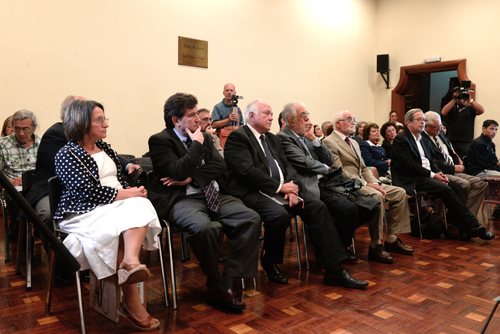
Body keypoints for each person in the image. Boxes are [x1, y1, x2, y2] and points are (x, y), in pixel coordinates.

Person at [224, 98, 368, 289]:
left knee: (317, 206)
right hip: (253, 192)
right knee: (278, 216)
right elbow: (247, 170)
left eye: (271, 113)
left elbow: (288, 166)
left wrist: (291, 186)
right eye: (266, 113)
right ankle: (270, 261)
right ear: (251, 116)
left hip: (283, 191)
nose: (271, 117)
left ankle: (334, 270)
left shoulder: (272, 138)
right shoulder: (238, 137)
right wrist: (279, 187)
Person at [53, 100, 161, 331]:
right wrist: (127, 193)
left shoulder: (106, 148)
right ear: (82, 123)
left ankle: (130, 263)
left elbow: (120, 179)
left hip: (116, 204)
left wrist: (133, 192)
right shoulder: (66, 153)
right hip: (84, 210)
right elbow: (88, 192)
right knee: (132, 210)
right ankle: (132, 301)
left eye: (105, 119)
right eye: (99, 120)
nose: (106, 124)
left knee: (141, 204)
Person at [148, 93, 261, 309]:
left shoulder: (206, 138)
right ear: (176, 120)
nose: (198, 120)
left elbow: (220, 166)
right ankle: (216, 282)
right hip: (183, 199)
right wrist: (196, 146)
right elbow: (176, 171)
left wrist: (192, 178)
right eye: (191, 115)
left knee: (251, 218)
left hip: (214, 194)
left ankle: (227, 279)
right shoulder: (161, 141)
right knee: (202, 228)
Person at [26, 95, 140, 286]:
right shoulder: (55, 134)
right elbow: (73, 172)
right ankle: (62, 266)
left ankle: (111, 266)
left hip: (84, 190)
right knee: (47, 214)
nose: (103, 123)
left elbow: (106, 155)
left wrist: (127, 165)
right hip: (51, 189)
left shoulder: (96, 141)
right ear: (76, 117)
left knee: (130, 208)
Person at [277, 103, 377, 261]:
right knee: (349, 209)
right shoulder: (283, 138)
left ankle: (333, 244)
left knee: (370, 206)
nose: (308, 118)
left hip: (327, 183)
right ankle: (336, 249)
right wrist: (326, 168)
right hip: (310, 186)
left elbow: (330, 159)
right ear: (292, 121)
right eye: (303, 115)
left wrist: (313, 139)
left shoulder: (306, 137)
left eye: (307, 113)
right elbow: (305, 163)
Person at [323, 111, 413, 264]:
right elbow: (339, 171)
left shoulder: (354, 142)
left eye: (354, 119)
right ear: (338, 123)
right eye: (349, 120)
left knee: (399, 193)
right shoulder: (329, 142)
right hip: (348, 184)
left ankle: (391, 239)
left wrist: (375, 183)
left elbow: (364, 167)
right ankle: (375, 244)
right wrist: (366, 184)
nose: (353, 122)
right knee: (377, 196)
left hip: (365, 181)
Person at [390, 108, 494, 241]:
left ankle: (463, 228)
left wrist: (438, 172)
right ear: (409, 123)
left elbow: (430, 161)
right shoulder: (402, 139)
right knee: (445, 189)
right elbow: (409, 165)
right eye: (419, 120)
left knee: (456, 186)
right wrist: (433, 175)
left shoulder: (422, 138)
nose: (422, 122)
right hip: (412, 178)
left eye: (423, 119)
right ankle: (473, 224)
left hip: (427, 174)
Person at [421, 111, 487, 218]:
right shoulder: (422, 139)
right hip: (442, 172)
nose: (439, 129)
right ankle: (460, 216)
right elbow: (432, 161)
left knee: (481, 183)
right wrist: (452, 168)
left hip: (454, 169)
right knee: (464, 184)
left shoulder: (440, 133)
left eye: (440, 126)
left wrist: (458, 162)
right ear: (426, 126)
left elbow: (450, 152)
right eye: (436, 127)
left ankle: (467, 215)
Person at [0, 109, 40, 238]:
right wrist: (11, 182)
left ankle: (45, 241)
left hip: (38, 189)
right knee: (18, 202)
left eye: (26, 129)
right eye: (17, 129)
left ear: (34, 128)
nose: (21, 133)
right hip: (13, 191)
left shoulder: (43, 144)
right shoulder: (3, 145)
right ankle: (23, 246)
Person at [441, 91, 485, 159]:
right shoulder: (452, 109)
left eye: (465, 97)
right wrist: (454, 99)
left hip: (467, 142)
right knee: (453, 160)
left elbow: (481, 110)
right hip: (453, 141)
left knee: (466, 161)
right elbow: (443, 112)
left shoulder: (470, 109)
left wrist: (470, 100)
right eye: (462, 97)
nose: (464, 100)